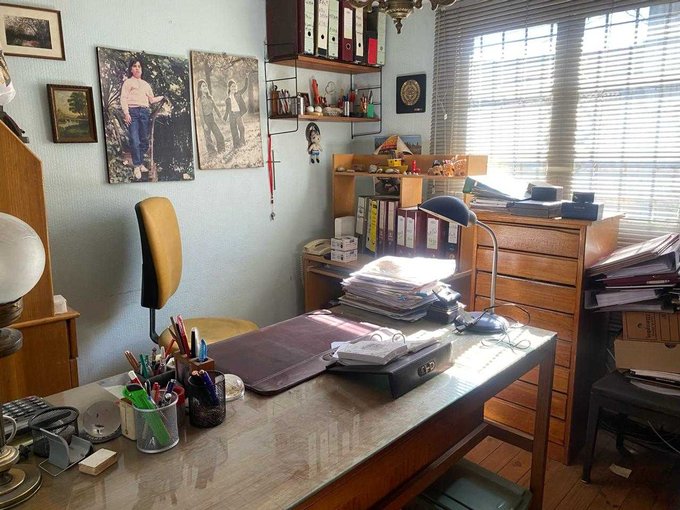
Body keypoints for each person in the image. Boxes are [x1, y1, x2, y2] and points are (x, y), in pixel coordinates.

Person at [120, 57, 164, 180]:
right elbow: (123, 98)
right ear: (131, 69)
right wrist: (126, 113)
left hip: (144, 113)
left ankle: (139, 164)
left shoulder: (145, 84)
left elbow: (151, 100)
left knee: (144, 140)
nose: (137, 68)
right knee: (135, 140)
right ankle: (137, 166)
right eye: (135, 66)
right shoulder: (128, 82)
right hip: (132, 112)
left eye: (139, 66)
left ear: (142, 69)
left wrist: (162, 97)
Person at [196, 79, 225, 154]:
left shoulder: (210, 97)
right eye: (203, 86)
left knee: (219, 135)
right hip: (205, 119)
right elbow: (201, 113)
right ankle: (212, 153)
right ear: (200, 89)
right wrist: (204, 124)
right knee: (208, 138)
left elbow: (216, 108)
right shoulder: (199, 100)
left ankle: (221, 150)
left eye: (206, 85)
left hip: (212, 119)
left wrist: (220, 117)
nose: (205, 87)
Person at [223, 76, 248, 150]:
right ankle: (236, 145)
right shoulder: (227, 99)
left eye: (235, 86)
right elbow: (227, 110)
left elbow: (245, 87)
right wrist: (224, 118)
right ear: (229, 88)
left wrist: (246, 78)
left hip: (238, 114)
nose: (234, 88)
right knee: (234, 130)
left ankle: (242, 141)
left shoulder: (238, 93)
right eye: (232, 86)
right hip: (231, 115)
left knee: (241, 128)